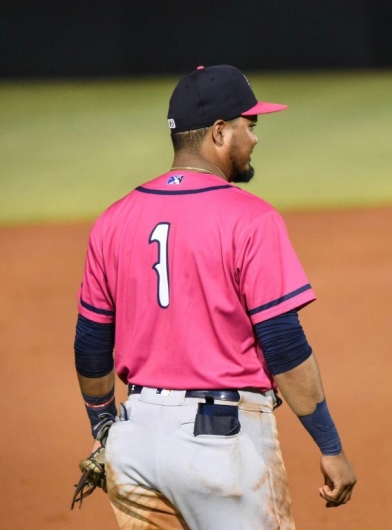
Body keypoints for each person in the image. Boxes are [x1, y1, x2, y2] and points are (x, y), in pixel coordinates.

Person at [73, 64, 356, 530]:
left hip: (134, 439)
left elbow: (90, 343)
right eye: (251, 125)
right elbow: (284, 345)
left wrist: (103, 426)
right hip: (220, 445)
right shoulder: (251, 219)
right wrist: (330, 446)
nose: (256, 138)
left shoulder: (112, 219)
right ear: (220, 133)